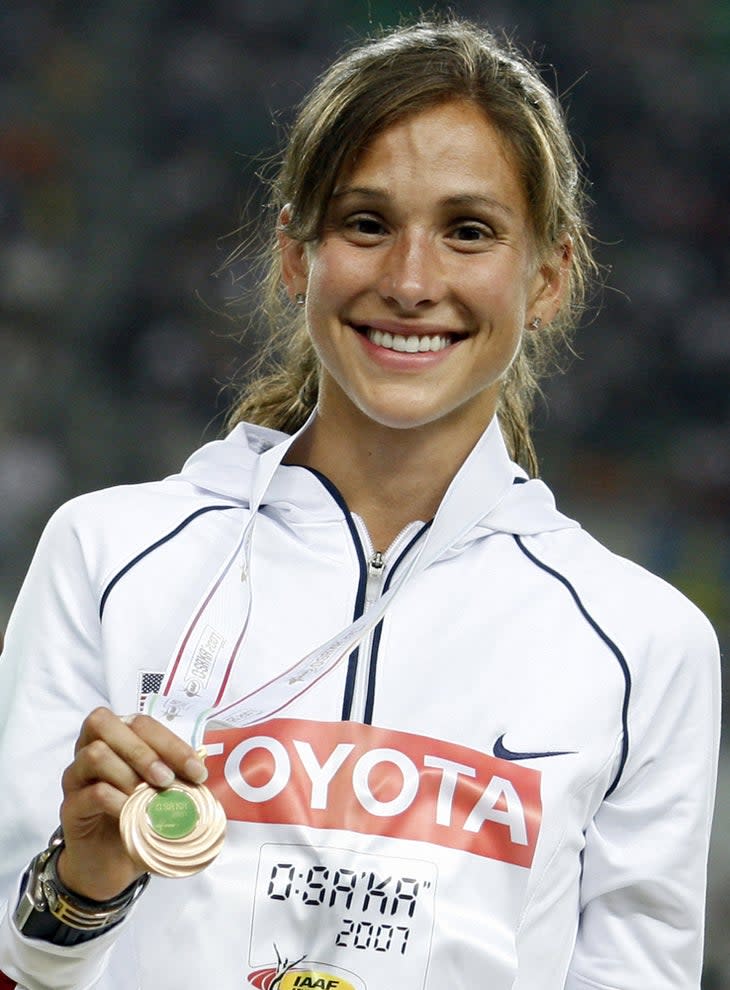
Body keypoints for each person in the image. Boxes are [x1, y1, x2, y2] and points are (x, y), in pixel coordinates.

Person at [0, 18, 720, 990]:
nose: (410, 282)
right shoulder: (108, 556)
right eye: (366, 224)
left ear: (546, 276)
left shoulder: (643, 646)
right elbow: (19, 962)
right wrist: (82, 886)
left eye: (468, 231)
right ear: (297, 256)